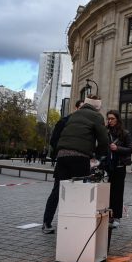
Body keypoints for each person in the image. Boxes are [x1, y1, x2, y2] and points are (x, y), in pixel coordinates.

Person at [42, 95, 108, 234]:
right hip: (80, 157)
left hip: (63, 156)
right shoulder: (97, 117)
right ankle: (77, 224)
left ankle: (46, 222)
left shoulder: (73, 115)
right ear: (97, 107)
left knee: (57, 190)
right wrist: (98, 155)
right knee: (80, 190)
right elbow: (103, 140)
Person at [105, 110, 132, 228]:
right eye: (108, 119)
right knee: (107, 193)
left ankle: (116, 217)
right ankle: (108, 215)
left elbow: (130, 149)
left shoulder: (125, 133)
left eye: (112, 118)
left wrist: (117, 148)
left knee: (117, 192)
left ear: (117, 119)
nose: (110, 121)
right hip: (107, 167)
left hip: (119, 166)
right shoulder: (105, 132)